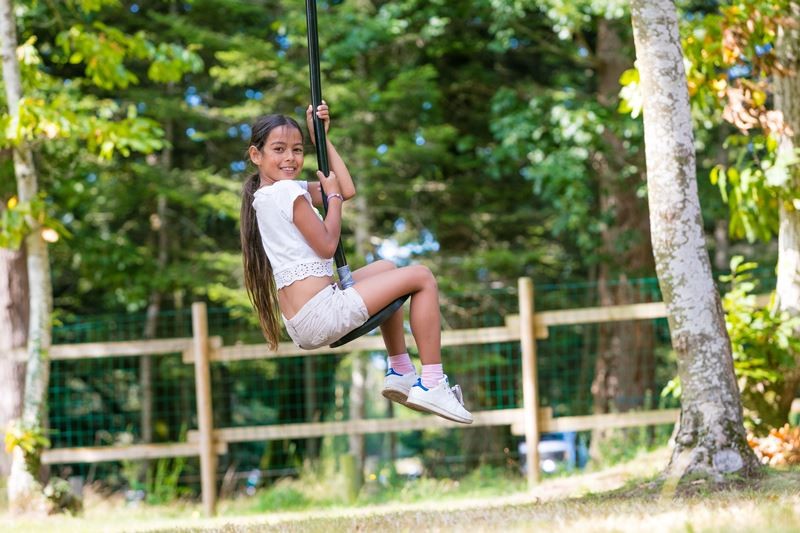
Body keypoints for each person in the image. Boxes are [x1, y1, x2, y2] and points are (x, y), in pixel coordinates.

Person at [239, 102, 472, 425]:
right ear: (256, 155)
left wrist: (322, 139)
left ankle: (401, 370)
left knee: (387, 269)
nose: (290, 158)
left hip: (309, 314)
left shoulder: (274, 193)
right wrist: (332, 200)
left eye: (297, 149)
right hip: (320, 312)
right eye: (278, 150)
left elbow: (345, 188)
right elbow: (326, 245)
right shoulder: (282, 194)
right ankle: (432, 382)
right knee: (422, 277)